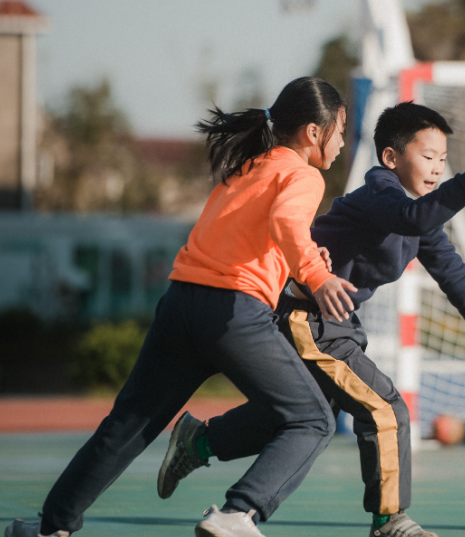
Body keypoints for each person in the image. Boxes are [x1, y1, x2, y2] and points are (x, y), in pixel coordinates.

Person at [5, 77, 358, 537]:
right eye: (341, 131)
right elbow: (286, 222)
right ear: (314, 132)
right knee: (312, 418)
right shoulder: (304, 175)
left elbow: (256, 240)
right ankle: (238, 513)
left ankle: (51, 527)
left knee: (129, 424)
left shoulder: (248, 167)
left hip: (180, 303)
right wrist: (317, 275)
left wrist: (303, 266)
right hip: (232, 315)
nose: (342, 142)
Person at [156, 102, 465, 537]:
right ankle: (390, 520)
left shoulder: (421, 218)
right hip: (306, 317)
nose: (438, 167)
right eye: (428, 156)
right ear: (391, 158)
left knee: (303, 414)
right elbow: (410, 217)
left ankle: (199, 442)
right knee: (385, 407)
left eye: (443, 158)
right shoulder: (380, 193)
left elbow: (451, 270)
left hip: (331, 321)